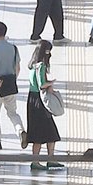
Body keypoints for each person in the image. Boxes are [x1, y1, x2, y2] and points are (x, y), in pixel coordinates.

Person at [24, 40, 64, 169]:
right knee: (49, 131)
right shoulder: (41, 66)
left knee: (38, 132)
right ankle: (48, 159)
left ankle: (38, 160)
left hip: (32, 100)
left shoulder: (32, 65)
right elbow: (42, 85)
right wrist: (51, 83)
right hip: (39, 101)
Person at [0, 23, 25, 147]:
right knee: (13, 113)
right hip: (11, 85)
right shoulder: (13, 48)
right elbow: (18, 67)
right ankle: (20, 131)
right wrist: (12, 79)